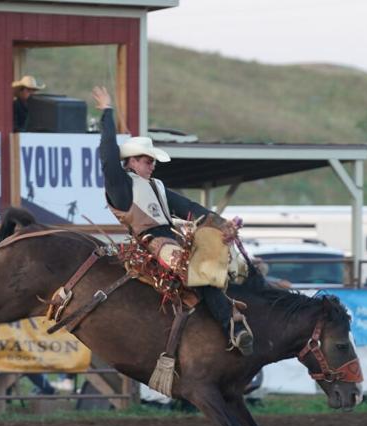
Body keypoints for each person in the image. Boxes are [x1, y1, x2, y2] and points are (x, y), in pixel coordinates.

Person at [92, 85, 253, 356]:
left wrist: (218, 222)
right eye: (146, 160)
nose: (151, 165)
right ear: (130, 162)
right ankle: (231, 325)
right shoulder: (120, 186)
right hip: (152, 242)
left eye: (152, 161)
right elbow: (108, 156)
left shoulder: (156, 186)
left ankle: (240, 299)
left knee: (228, 259)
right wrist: (107, 112)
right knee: (192, 268)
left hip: (172, 237)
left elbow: (188, 208)